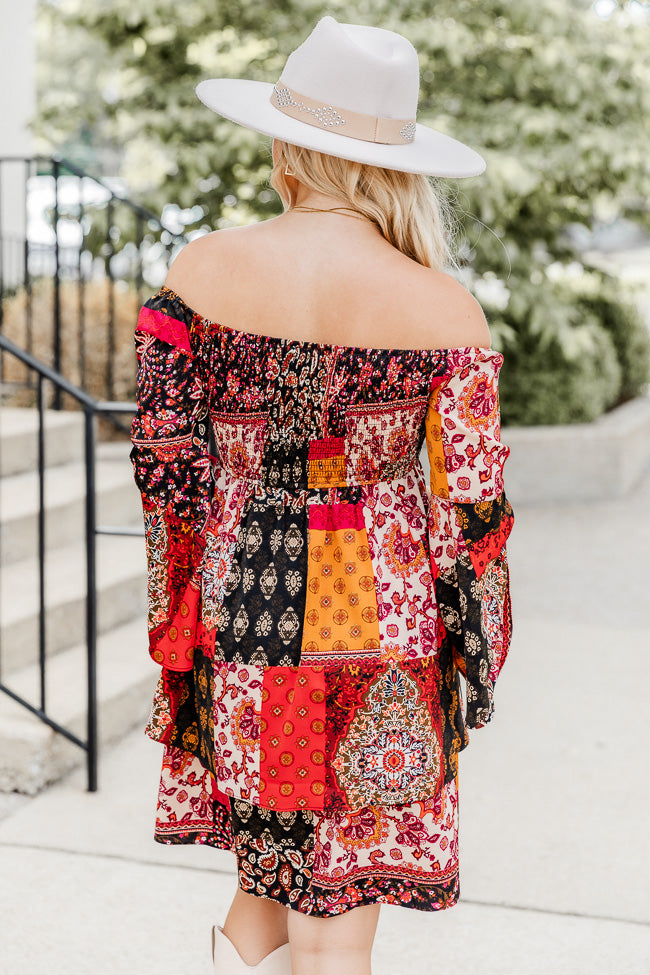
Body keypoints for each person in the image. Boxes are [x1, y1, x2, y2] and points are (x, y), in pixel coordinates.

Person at [129, 14, 514, 975]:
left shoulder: (197, 273)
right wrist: (475, 654)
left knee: (275, 866)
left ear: (286, 144)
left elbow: (167, 474)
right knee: (334, 923)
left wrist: (183, 619)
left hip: (242, 617)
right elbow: (472, 516)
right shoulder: (442, 308)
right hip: (378, 632)